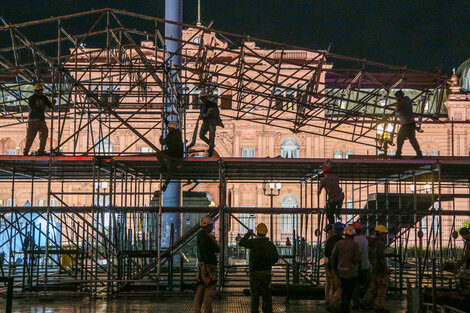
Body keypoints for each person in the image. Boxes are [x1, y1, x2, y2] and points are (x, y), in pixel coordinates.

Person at [239, 223, 279, 313]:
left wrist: (248, 234)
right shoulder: (270, 245)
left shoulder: (253, 243)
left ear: (257, 232)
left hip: (254, 273)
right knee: (267, 295)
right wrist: (268, 264)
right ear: (266, 232)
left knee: (255, 296)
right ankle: (267, 311)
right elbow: (276, 258)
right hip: (266, 273)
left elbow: (241, 243)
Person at [330, 225, 360, 313]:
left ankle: (341, 307)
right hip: (351, 272)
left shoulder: (338, 243)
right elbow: (357, 258)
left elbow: (332, 257)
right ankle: (345, 309)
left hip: (340, 271)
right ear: (352, 235)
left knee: (342, 291)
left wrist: (334, 269)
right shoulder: (355, 244)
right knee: (349, 292)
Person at [194, 216, 219, 313]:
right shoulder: (209, 237)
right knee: (209, 292)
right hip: (210, 267)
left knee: (200, 290)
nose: (212, 227)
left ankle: (197, 311)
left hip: (201, 267)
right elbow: (217, 249)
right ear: (207, 226)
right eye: (212, 225)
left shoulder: (199, 235)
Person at [362, 225, 390, 313]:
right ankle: (379, 306)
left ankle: (364, 303)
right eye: (384, 234)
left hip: (373, 268)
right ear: (380, 234)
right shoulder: (380, 243)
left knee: (372, 287)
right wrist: (386, 268)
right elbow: (381, 257)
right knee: (382, 287)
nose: (385, 236)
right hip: (379, 269)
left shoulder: (372, 243)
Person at [388, 90, 422, 159]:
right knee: (412, 139)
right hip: (411, 123)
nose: (396, 99)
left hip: (406, 124)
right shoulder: (407, 99)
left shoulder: (399, 104)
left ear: (399, 97)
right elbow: (397, 103)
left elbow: (396, 108)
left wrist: (387, 107)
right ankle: (419, 153)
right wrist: (388, 105)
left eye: (396, 97)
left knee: (400, 139)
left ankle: (398, 154)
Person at [24, 83, 53, 156]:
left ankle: (41, 151)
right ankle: (26, 151)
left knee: (44, 135)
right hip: (33, 120)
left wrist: (52, 104)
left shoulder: (44, 97)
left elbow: (49, 105)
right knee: (30, 137)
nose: (40, 92)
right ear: (35, 91)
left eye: (41, 91)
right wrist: (42, 108)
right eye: (38, 91)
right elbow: (33, 108)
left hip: (41, 120)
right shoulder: (32, 98)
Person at [157, 121, 184, 192]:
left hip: (171, 154)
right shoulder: (178, 133)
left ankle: (163, 167)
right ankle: (165, 185)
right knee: (171, 171)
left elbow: (162, 143)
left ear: (171, 129)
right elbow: (170, 125)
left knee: (159, 154)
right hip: (179, 156)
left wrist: (160, 138)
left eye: (169, 128)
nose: (168, 129)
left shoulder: (170, 135)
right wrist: (165, 120)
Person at [324, 222, 344, 312]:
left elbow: (326, 253)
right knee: (338, 285)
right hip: (338, 266)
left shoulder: (329, 240)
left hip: (329, 266)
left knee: (330, 283)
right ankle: (333, 303)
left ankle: (328, 300)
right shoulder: (341, 241)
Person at [351, 221, 371, 309]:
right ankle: (365, 302)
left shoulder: (354, 240)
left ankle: (356, 303)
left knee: (355, 286)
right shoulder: (365, 239)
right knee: (365, 285)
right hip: (366, 265)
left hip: (356, 267)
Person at [199, 92, 224, 157]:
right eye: (201, 98)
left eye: (203, 98)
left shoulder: (212, 104)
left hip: (212, 122)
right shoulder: (201, 105)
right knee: (201, 135)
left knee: (212, 137)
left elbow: (215, 112)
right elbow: (202, 114)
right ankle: (211, 144)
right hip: (205, 122)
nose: (202, 100)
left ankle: (210, 152)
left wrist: (207, 114)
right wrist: (201, 116)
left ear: (206, 97)